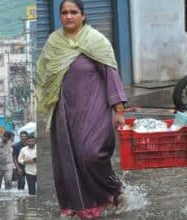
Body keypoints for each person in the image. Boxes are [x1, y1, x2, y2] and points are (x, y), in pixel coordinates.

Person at [36, 0, 128, 217]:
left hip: (94, 109)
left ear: (83, 15)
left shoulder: (96, 41)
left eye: (74, 12)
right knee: (69, 161)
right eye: (65, 13)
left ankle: (115, 189)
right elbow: (45, 75)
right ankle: (84, 206)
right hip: (65, 111)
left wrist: (119, 110)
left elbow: (110, 74)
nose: (69, 16)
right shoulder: (54, 43)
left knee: (91, 155)